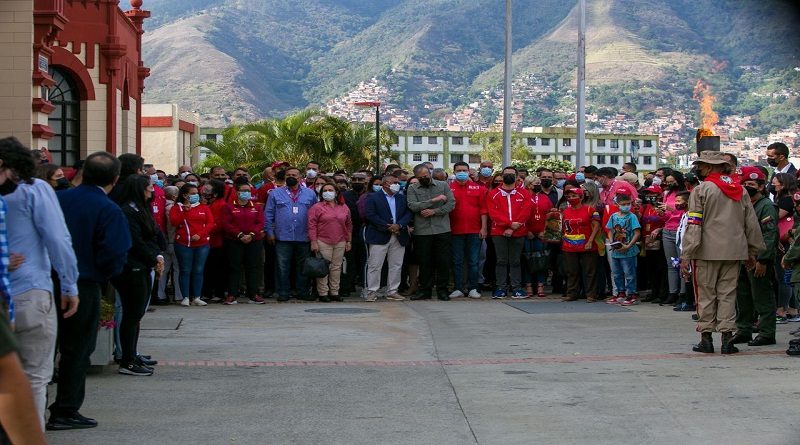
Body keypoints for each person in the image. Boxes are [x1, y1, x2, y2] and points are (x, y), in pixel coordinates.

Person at [47, 153, 132, 429]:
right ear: (115, 179)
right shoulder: (107, 209)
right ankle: (65, 409)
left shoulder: (58, 200)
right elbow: (115, 251)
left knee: (44, 348)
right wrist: (104, 274)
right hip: (84, 284)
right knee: (78, 349)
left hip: (47, 282)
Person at [1, 137, 79, 428]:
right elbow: (58, 239)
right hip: (30, 290)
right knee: (34, 376)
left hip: (11, 289)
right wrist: (70, 286)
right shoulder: (34, 191)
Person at [680, 151, 764, 354]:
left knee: (706, 294)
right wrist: (753, 250)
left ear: (709, 167)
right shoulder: (740, 190)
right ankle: (727, 339)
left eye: (700, 165)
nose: (698, 169)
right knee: (728, 295)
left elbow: (694, 224)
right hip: (734, 251)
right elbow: (751, 223)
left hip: (706, 251)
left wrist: (687, 253)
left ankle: (706, 338)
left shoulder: (702, 190)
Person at [111, 175, 164, 377]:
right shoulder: (128, 211)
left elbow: (153, 234)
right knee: (131, 315)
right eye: (149, 187)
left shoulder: (141, 209)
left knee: (137, 314)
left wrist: (156, 255)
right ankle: (127, 360)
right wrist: (153, 258)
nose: (152, 191)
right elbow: (136, 241)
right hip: (132, 267)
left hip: (143, 265)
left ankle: (133, 353)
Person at [729, 167, 777, 346]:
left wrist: (763, 260)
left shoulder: (766, 206)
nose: (747, 187)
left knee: (762, 295)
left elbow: (769, 235)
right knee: (743, 296)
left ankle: (766, 332)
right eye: (744, 184)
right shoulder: (743, 204)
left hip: (758, 258)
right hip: (742, 257)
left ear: (761, 186)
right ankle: (744, 329)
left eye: (751, 184)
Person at [264, 167, 317, 302]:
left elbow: (315, 216)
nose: (291, 176)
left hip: (303, 236)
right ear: (284, 177)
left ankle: (302, 291)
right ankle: (283, 292)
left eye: (294, 174)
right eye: (288, 175)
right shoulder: (275, 194)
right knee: (282, 266)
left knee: (303, 266)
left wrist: (314, 236)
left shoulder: (310, 194)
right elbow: (268, 214)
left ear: (300, 177)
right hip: (282, 236)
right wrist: (269, 232)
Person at [406, 164, 456, 301]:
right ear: (416, 177)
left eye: (426, 176)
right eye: (421, 177)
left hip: (442, 229)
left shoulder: (443, 185)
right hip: (422, 231)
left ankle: (442, 290)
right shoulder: (412, 188)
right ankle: (425, 291)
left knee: (443, 261)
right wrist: (434, 200)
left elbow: (451, 204)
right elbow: (412, 206)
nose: (424, 179)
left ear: (430, 173)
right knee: (424, 262)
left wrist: (434, 211)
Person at [364, 174, 412, 302]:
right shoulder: (373, 197)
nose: (398, 184)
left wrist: (399, 225)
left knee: (396, 265)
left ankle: (392, 291)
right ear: (386, 184)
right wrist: (387, 226)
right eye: (395, 182)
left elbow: (408, 213)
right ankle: (372, 291)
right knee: (375, 265)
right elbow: (370, 215)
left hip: (399, 235)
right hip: (379, 234)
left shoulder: (402, 198)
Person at [486, 167, 532, 299]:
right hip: (499, 232)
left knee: (515, 261)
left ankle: (517, 288)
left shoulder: (524, 193)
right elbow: (493, 213)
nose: (509, 176)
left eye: (512, 174)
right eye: (506, 174)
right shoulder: (493, 193)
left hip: (518, 231)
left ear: (517, 177)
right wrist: (508, 224)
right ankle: (501, 288)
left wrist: (512, 228)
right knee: (501, 260)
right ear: (502, 176)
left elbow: (525, 212)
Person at [220, 177, 265, 305]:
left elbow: (260, 222)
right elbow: (227, 223)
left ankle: (253, 294)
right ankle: (232, 294)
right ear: (237, 192)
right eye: (243, 190)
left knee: (253, 267)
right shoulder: (229, 207)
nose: (246, 193)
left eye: (248, 190)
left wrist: (251, 235)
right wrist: (240, 235)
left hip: (254, 240)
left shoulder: (256, 207)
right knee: (234, 267)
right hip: (234, 241)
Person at [170, 183, 214, 307]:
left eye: (197, 194)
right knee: (185, 270)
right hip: (183, 244)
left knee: (199, 270)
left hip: (202, 244)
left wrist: (200, 234)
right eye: (192, 194)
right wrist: (185, 210)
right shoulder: (177, 208)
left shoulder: (204, 208)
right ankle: (185, 297)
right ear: (184, 195)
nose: (196, 196)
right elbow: (174, 222)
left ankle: (197, 297)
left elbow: (210, 223)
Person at [449, 161, 488, 299]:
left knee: (474, 261)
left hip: (474, 230)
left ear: (469, 172)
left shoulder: (479, 188)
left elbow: (484, 210)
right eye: (458, 170)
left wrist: (484, 228)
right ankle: (458, 288)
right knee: (457, 261)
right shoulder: (448, 189)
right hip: (455, 231)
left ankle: (473, 288)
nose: (462, 172)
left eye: (464, 170)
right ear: (454, 172)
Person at [307, 183, 352, 302]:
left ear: (336, 192)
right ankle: (323, 293)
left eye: (330, 190)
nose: (328, 192)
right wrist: (314, 242)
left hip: (340, 241)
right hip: (322, 241)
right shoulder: (317, 207)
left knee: (336, 268)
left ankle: (334, 292)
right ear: (321, 194)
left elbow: (348, 224)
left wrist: (348, 241)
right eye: (325, 190)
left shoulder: (344, 207)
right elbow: (312, 226)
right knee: (323, 268)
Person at [561, 181, 601, 302]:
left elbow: (596, 226)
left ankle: (591, 294)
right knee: (572, 271)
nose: (571, 198)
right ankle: (572, 293)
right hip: (569, 244)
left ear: (581, 196)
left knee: (590, 271)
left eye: (574, 196)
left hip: (587, 244)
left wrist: (590, 241)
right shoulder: (565, 211)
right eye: (568, 196)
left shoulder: (590, 210)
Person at [604, 193, 641, 306]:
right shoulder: (614, 216)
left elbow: (637, 232)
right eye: (623, 204)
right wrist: (611, 241)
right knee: (617, 273)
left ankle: (632, 294)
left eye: (628, 204)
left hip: (628, 251)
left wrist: (629, 245)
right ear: (617, 204)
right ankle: (620, 293)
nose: (626, 206)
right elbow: (609, 229)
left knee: (629, 273)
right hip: (616, 250)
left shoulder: (632, 217)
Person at [525, 176, 556, 298]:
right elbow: (520, 214)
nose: (539, 185)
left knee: (541, 260)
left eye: (539, 183)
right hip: (527, 233)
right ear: (528, 185)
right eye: (536, 183)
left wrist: (545, 230)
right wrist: (527, 230)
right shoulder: (523, 197)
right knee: (527, 259)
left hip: (542, 233)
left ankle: (540, 285)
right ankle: (528, 285)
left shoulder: (545, 198)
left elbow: (550, 215)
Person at [156, 186, 183, 304]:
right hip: (173, 241)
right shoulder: (173, 208)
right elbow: (171, 226)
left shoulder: (162, 206)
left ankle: (160, 294)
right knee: (177, 269)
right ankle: (178, 295)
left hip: (165, 241)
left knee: (164, 270)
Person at [202, 179, 228, 303]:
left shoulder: (221, 205)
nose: (204, 192)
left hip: (217, 242)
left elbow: (219, 224)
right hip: (206, 241)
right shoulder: (208, 204)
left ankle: (218, 292)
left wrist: (203, 230)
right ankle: (207, 291)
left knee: (217, 268)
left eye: (208, 190)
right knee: (208, 268)